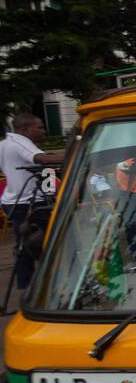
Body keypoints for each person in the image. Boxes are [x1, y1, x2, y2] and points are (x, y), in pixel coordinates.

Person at [1, 113, 66, 290]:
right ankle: (56, 282)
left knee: (24, 244)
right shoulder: (19, 142)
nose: (44, 131)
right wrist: (79, 155)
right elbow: (41, 159)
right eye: (39, 127)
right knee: (56, 238)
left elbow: (43, 169)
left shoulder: (5, 144)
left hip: (16, 201)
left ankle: (26, 284)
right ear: (25, 129)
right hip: (29, 202)